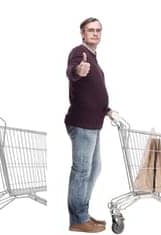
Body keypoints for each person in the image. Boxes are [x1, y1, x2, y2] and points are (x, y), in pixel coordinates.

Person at [64, 17, 113, 233]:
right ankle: (78, 219)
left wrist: (108, 110)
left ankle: (82, 213)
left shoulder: (94, 57)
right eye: (90, 30)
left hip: (94, 123)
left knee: (94, 168)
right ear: (82, 33)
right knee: (82, 171)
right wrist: (77, 71)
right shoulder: (79, 53)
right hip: (82, 123)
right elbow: (72, 71)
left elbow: (93, 92)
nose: (95, 34)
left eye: (98, 30)